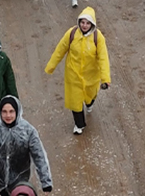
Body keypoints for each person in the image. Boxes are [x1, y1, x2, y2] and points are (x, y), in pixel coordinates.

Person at [0, 94, 53, 196]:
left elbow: (39, 156)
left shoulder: (28, 131)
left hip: (19, 184)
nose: (8, 115)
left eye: (11, 111)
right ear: (0, 112)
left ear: (17, 111)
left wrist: (45, 182)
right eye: (4, 111)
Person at [44, 7, 110, 135]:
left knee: (90, 94)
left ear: (92, 24)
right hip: (73, 75)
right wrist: (51, 66)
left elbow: (103, 58)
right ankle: (79, 124)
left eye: (87, 23)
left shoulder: (98, 37)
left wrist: (105, 78)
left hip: (91, 75)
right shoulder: (71, 33)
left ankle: (90, 102)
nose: (84, 25)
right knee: (75, 100)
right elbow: (60, 50)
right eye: (82, 22)